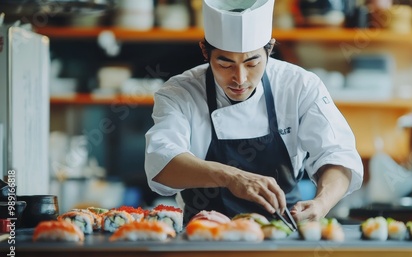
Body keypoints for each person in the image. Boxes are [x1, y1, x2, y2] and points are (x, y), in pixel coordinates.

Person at [145, 0, 363, 224]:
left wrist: (322, 203)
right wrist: (231, 177)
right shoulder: (180, 92)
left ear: (270, 49)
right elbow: (161, 162)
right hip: (204, 237)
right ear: (204, 51)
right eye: (225, 64)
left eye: (252, 63)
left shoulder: (299, 86)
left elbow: (338, 155)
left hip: (283, 233)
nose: (240, 79)